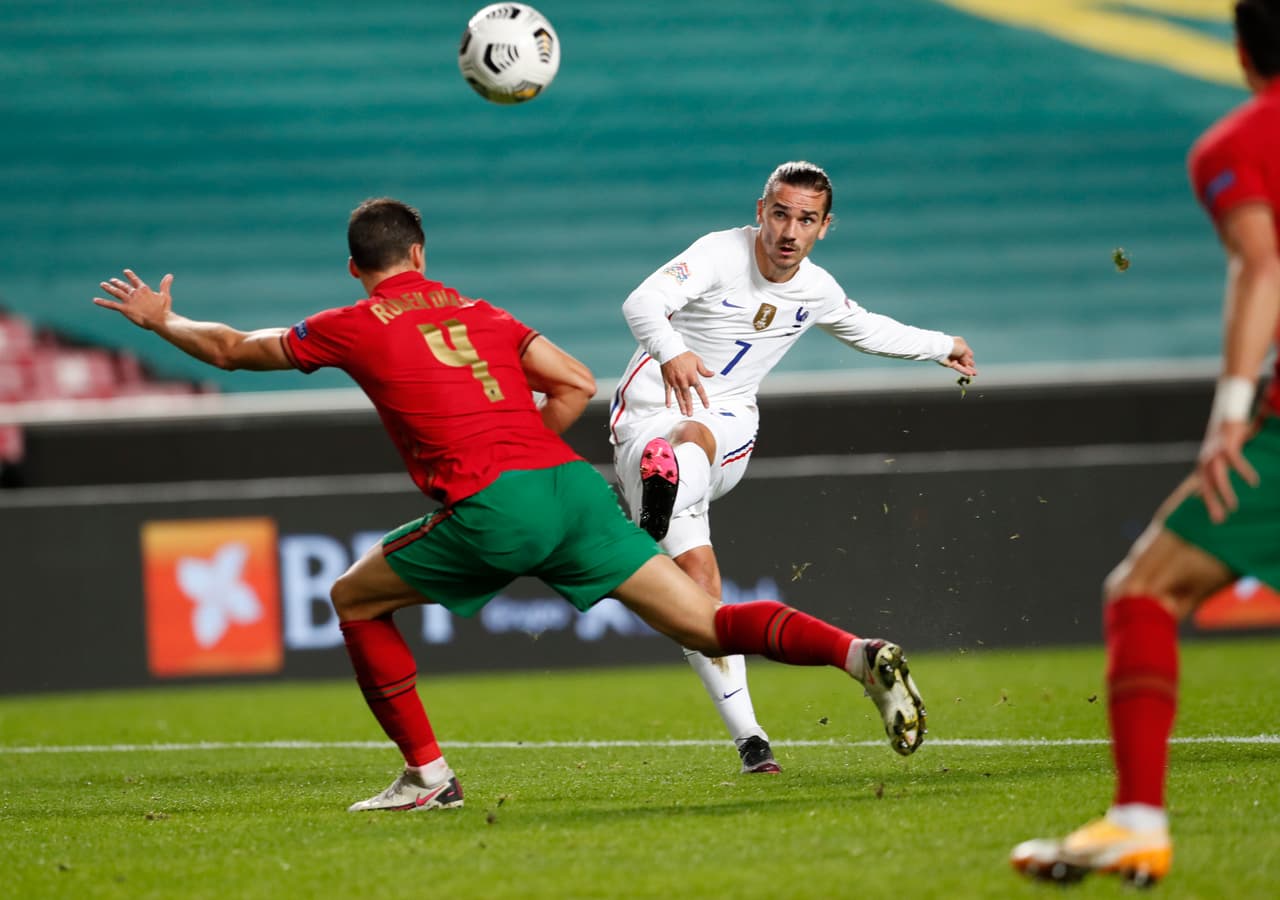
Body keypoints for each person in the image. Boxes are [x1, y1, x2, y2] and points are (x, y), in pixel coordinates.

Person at [94, 197, 929, 812]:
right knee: (706, 622)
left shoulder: (352, 321)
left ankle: (427, 778)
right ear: (421, 255)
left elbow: (237, 352)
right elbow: (574, 381)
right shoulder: (482, 311)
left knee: (352, 597)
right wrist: (525, 445)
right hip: (571, 486)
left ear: (359, 267)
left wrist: (164, 322)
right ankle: (859, 653)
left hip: (496, 506)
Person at [1010, 0, 1280, 886]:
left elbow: (1260, 263)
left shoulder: (1237, 145)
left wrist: (1231, 413)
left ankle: (1136, 822)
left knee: (1144, 590)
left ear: (1242, 48)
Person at [610, 161, 976, 774]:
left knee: (694, 436)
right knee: (703, 606)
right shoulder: (718, 254)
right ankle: (753, 741)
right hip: (646, 414)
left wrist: (942, 345)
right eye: (780, 214)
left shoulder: (817, 290)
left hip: (724, 421)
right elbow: (642, 301)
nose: (789, 230)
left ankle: (665, 486)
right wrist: (672, 351)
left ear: (824, 227)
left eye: (805, 219)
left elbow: (866, 330)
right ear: (761, 211)